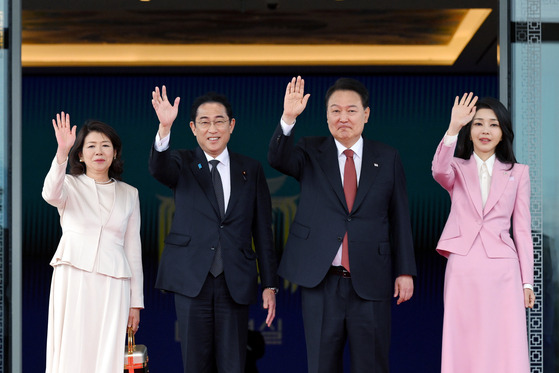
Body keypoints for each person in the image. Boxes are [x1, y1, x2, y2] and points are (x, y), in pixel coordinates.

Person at [268, 76, 416, 373]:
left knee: (372, 365)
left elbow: (399, 216)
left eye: (351, 110)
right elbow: (278, 159)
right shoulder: (310, 150)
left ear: (366, 114)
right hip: (321, 281)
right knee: (322, 365)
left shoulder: (387, 157)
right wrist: (288, 118)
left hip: (370, 278)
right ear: (326, 116)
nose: (343, 118)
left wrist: (405, 270)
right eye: (335, 110)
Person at [148, 86, 279, 373]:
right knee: (195, 364)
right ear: (193, 128)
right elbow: (160, 169)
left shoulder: (251, 169)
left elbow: (263, 230)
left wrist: (269, 284)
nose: (212, 129)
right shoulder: (181, 162)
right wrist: (164, 127)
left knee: (233, 364)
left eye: (219, 121)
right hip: (192, 279)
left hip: (235, 279)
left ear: (231, 125)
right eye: (204, 122)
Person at [432, 93, 536, 373]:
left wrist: (527, 282)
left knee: (504, 340)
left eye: (493, 124)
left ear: (503, 133)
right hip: (463, 265)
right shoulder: (456, 167)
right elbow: (438, 170)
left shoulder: (519, 173)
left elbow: (523, 230)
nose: (485, 131)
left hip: (504, 270)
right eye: (478, 124)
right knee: (462, 336)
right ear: (470, 131)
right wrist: (453, 128)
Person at [42, 113, 143, 373]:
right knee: (71, 347)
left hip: (114, 282)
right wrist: (61, 152)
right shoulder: (68, 185)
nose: (99, 151)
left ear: (115, 153)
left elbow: (133, 250)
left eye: (105, 146)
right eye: (91, 146)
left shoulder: (130, 194)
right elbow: (49, 194)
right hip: (73, 276)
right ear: (80, 155)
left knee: (107, 350)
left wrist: (136, 302)